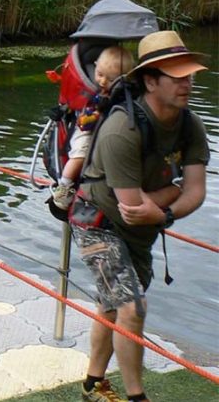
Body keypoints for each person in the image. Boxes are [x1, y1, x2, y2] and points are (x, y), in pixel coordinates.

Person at [69, 31, 209, 402]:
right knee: (132, 307)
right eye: (176, 76)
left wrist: (162, 209)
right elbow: (133, 210)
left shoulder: (190, 125)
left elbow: (196, 192)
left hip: (143, 229)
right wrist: (173, 194)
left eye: (189, 75)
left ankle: (93, 385)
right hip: (97, 221)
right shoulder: (121, 129)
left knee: (113, 305)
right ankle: (136, 397)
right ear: (150, 80)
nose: (187, 83)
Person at [51, 45, 135, 209]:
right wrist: (97, 113)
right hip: (88, 130)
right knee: (80, 153)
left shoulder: (125, 95)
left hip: (110, 131)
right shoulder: (94, 94)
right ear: (95, 67)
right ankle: (65, 185)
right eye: (100, 75)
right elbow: (83, 122)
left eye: (110, 79)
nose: (103, 81)